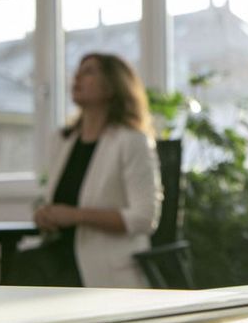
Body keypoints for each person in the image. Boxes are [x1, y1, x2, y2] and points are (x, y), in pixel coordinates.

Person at [9, 53, 162, 288]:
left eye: (89, 71)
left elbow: (143, 218)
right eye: (78, 71)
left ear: (112, 86)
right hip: (58, 255)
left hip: (102, 263)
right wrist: (46, 214)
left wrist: (75, 215)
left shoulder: (131, 141)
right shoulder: (63, 140)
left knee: (27, 271)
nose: (77, 77)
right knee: (21, 265)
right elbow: (55, 199)